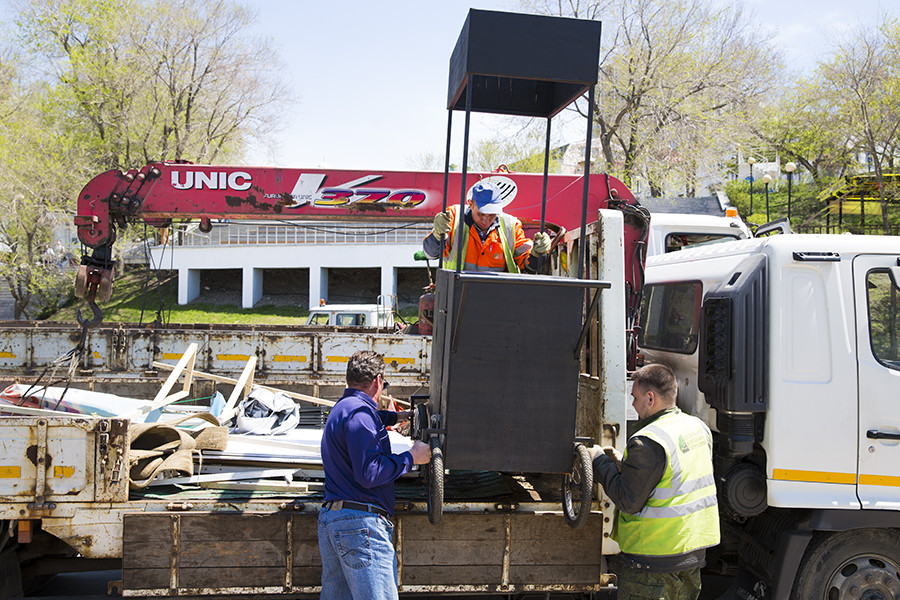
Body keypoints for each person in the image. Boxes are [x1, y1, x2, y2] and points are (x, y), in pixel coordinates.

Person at [590, 364, 719, 600]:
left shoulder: (647, 441)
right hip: (691, 556)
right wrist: (626, 466)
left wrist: (599, 461)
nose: (632, 405)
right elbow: (673, 478)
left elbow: (628, 501)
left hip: (653, 561)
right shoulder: (699, 428)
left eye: (635, 397)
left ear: (651, 398)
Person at [318, 350, 432, 600]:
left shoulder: (343, 408)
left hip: (335, 519)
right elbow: (370, 473)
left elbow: (366, 421)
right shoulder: (360, 415)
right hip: (360, 524)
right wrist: (412, 457)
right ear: (378, 381)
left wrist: (396, 416)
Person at [422, 180, 551, 273]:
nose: (486, 219)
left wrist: (538, 253)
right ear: (470, 204)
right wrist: (438, 235)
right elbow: (430, 254)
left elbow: (529, 266)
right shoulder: (454, 218)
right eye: (481, 213)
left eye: (492, 215)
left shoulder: (511, 226)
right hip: (457, 295)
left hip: (498, 298)